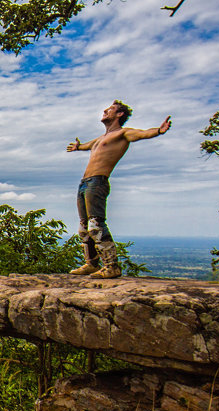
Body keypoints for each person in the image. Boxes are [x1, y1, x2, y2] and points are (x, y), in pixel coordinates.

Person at [66, 100, 171, 278]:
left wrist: (158, 131)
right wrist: (78, 147)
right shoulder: (99, 139)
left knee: (95, 225)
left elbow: (143, 133)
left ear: (119, 114)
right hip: (85, 183)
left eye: (111, 109)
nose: (105, 111)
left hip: (98, 182)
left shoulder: (123, 133)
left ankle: (111, 266)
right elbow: (86, 146)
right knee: (84, 228)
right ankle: (91, 264)